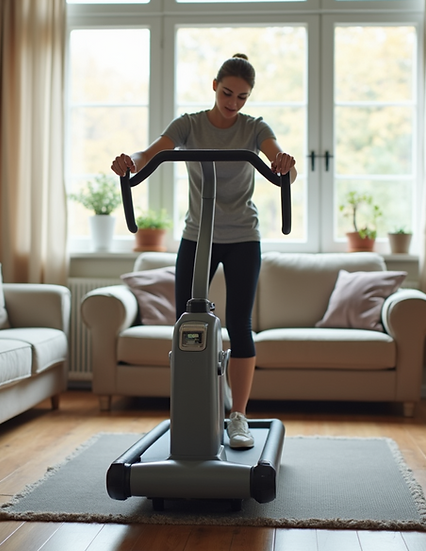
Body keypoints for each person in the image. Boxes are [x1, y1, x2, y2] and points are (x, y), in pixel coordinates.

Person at [111, 53, 297, 449]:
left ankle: (238, 415)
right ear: (214, 86)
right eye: (227, 93)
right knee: (185, 324)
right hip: (198, 234)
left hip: (243, 235)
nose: (233, 103)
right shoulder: (189, 124)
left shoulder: (253, 128)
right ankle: (190, 406)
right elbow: (152, 154)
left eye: (242, 97)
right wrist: (131, 161)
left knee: (240, 325)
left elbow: (280, 161)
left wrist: (284, 165)